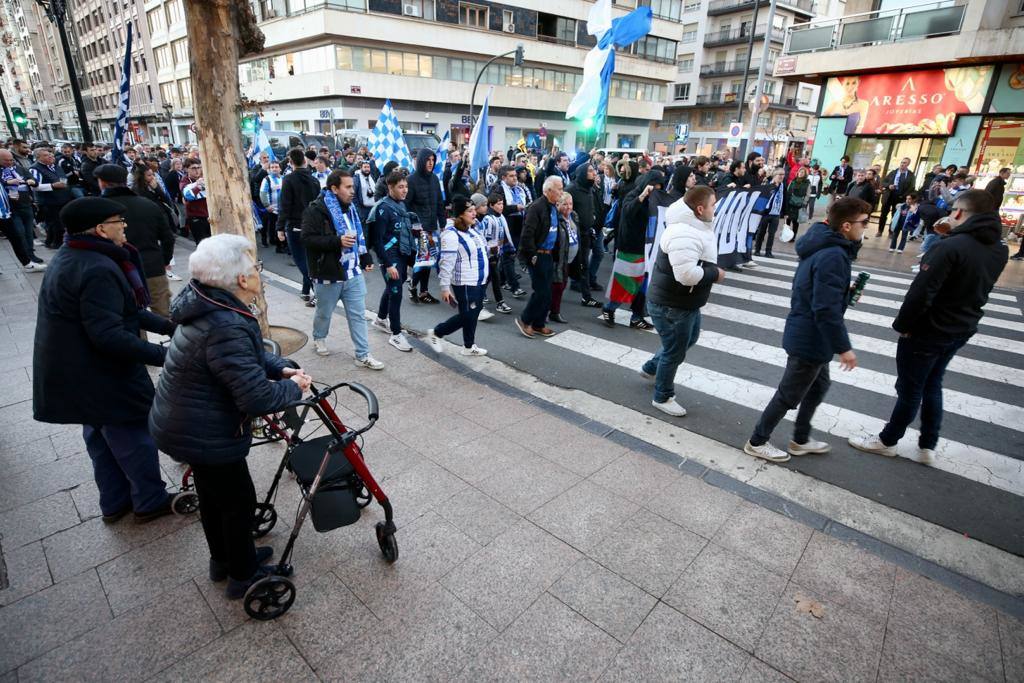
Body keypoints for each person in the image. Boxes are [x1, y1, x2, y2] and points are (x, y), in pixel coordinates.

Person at [149, 234, 311, 599]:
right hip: (202, 429)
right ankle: (243, 574)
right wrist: (296, 388)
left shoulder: (209, 305)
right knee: (237, 501)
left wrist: (281, 368)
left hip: (184, 421)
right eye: (256, 267)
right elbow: (255, 396)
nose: (258, 272)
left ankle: (223, 559)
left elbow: (240, 360)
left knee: (213, 497)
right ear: (241, 279)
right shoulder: (226, 322)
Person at [33, 197, 176, 523]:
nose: (124, 227)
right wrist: (165, 355)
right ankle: (150, 501)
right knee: (133, 436)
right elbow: (109, 334)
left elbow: (126, 312)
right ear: (100, 229)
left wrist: (169, 325)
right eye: (118, 222)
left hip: (76, 370)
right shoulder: (98, 268)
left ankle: (115, 502)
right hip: (99, 374)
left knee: (100, 437)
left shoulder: (75, 255)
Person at [850, 190, 1008, 464]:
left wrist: (903, 325)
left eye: (953, 209)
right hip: (961, 328)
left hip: (928, 330)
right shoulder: (999, 248)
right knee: (933, 383)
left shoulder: (948, 248)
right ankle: (927, 445)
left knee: (910, 389)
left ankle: (888, 440)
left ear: (958, 212)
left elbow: (922, 293)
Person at [743, 197, 869, 463]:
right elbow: (825, 309)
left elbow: (815, 289)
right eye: (863, 223)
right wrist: (844, 348)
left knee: (819, 386)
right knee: (789, 395)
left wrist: (841, 291)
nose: (865, 228)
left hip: (810, 333)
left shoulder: (824, 244)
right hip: (811, 336)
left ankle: (800, 439)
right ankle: (757, 441)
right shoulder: (833, 254)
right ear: (846, 226)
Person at [641, 186, 723, 417]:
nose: (715, 210)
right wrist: (715, 274)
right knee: (675, 351)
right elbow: (686, 275)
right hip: (673, 304)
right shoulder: (683, 233)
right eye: (712, 205)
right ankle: (662, 396)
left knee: (689, 338)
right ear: (699, 209)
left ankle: (651, 368)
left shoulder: (694, 226)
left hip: (684, 302)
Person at [301, 169, 384, 369]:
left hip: (353, 272)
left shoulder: (351, 209)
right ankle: (319, 337)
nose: (352, 191)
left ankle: (362, 355)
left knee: (357, 315)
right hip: (328, 274)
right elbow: (307, 239)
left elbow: (358, 235)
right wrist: (336, 241)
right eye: (347, 187)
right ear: (334, 188)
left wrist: (365, 257)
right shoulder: (316, 210)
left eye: (352, 187)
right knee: (324, 312)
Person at [95, 164, 176, 318]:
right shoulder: (148, 204)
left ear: (102, 183)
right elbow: (168, 238)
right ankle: (175, 341)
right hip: (152, 267)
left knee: (132, 319)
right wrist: (163, 260)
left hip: (119, 270)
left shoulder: (97, 209)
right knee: (164, 316)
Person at [426, 194, 490, 356]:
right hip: (465, 282)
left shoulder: (472, 229)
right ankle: (437, 333)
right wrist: (444, 287)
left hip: (479, 280)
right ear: (460, 214)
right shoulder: (451, 234)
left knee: (473, 313)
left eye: (474, 209)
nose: (474, 213)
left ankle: (469, 347)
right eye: (470, 211)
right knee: (469, 315)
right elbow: (446, 263)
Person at [369, 170, 416, 352]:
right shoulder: (382, 209)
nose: (405, 190)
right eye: (400, 187)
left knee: (392, 287)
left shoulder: (401, 205)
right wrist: (388, 264)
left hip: (402, 254)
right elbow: (377, 241)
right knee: (396, 293)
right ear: (390, 187)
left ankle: (381, 319)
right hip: (390, 258)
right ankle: (396, 335)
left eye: (406, 186)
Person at [515, 175, 566, 339]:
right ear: (549, 190)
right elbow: (527, 234)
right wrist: (532, 255)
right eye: (559, 188)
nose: (561, 192)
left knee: (548, 292)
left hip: (549, 255)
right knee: (541, 292)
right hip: (537, 255)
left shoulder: (552, 207)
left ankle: (539, 324)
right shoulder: (536, 207)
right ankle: (525, 320)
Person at [279, 147, 321, 306]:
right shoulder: (314, 180)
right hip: (313, 225)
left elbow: (285, 205)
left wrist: (280, 227)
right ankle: (305, 291)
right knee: (309, 259)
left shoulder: (289, 180)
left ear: (290, 163)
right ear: (305, 161)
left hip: (295, 225)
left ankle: (317, 289)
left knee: (301, 261)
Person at [404, 148, 445, 304]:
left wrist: (442, 224)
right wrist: (413, 226)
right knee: (422, 261)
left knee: (429, 261)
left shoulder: (434, 178)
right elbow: (405, 206)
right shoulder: (411, 180)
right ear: (421, 161)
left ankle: (424, 291)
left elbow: (440, 203)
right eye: (428, 160)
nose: (431, 163)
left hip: (432, 227)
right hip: (418, 229)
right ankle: (413, 286)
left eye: (433, 160)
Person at [0, 148, 45, 269]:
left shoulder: (20, 169)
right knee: (19, 234)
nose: (9, 162)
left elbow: (34, 181)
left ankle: (29, 258)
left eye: (11, 160)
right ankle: (27, 259)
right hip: (10, 208)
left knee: (25, 233)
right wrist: (8, 183)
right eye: (6, 160)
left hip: (23, 205)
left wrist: (30, 181)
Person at [566, 163, 601, 305]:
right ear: (582, 173)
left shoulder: (590, 188)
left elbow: (592, 208)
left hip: (586, 234)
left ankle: (586, 297)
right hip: (572, 235)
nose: (594, 173)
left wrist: (593, 219)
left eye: (594, 170)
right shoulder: (572, 189)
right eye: (590, 171)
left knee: (584, 265)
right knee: (566, 265)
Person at [30, 147, 74, 248]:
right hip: (49, 202)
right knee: (56, 224)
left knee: (58, 223)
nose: (50, 156)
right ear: (38, 157)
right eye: (46, 155)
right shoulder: (35, 168)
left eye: (50, 154)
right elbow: (35, 186)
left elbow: (63, 178)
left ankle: (50, 242)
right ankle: (57, 244)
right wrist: (52, 186)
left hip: (62, 199)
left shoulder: (55, 166)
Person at [548, 193, 581, 324]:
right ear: (558, 205)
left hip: (570, 259)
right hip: (558, 259)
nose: (568, 207)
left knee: (562, 285)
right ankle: (551, 312)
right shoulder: (555, 218)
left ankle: (554, 311)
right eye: (565, 204)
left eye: (570, 204)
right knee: (557, 286)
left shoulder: (574, 216)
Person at [480, 192, 514, 315]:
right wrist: (491, 249)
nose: (501, 206)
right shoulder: (489, 219)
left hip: (497, 252)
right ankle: (500, 302)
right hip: (489, 254)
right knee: (494, 276)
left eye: (502, 204)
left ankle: (482, 295)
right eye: (498, 204)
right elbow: (485, 237)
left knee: (489, 277)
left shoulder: (501, 217)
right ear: (491, 205)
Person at [499, 165, 528, 298]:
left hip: (518, 224)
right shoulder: (498, 189)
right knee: (509, 255)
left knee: (509, 255)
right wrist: (515, 207)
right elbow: (499, 208)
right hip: (505, 224)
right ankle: (514, 287)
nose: (515, 178)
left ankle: (501, 280)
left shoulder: (519, 189)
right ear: (503, 178)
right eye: (511, 176)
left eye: (515, 176)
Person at [878, 157, 916, 237]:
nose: (902, 164)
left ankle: (891, 232)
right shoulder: (893, 172)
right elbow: (883, 182)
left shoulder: (911, 175)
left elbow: (911, 187)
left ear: (908, 164)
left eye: (905, 163)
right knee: (883, 214)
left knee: (895, 215)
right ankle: (880, 231)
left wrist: (904, 196)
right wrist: (889, 186)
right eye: (902, 162)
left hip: (900, 198)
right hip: (888, 196)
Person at [754, 167, 786, 258]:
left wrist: (785, 212)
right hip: (765, 212)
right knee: (761, 232)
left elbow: (785, 199)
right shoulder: (768, 184)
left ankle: (768, 251)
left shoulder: (783, 186)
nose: (782, 176)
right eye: (780, 174)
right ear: (775, 175)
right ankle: (757, 250)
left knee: (772, 234)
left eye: (783, 174)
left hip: (776, 213)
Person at [181, 158, 212, 243]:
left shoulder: (205, 178)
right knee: (203, 245)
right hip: (196, 218)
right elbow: (188, 196)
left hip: (209, 216)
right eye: (194, 168)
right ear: (187, 169)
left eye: (199, 167)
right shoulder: (185, 181)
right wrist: (198, 187)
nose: (197, 170)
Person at [258, 161, 284, 249]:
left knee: (278, 226)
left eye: (276, 167)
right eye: (272, 167)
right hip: (270, 208)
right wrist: (267, 205)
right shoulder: (267, 179)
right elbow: (263, 193)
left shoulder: (283, 178)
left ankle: (278, 243)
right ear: (269, 169)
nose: (274, 169)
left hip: (281, 208)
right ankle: (265, 241)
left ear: (280, 169)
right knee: (268, 225)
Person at [786, 166, 810, 239]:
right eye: (800, 172)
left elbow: (808, 194)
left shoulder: (807, 183)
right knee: (788, 219)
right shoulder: (793, 181)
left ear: (805, 174)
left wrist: (804, 202)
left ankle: (793, 236)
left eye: (802, 172)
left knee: (795, 221)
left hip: (799, 204)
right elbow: (788, 190)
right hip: (790, 203)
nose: (800, 173)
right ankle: (786, 234)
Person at [353, 160, 376, 225]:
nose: (367, 169)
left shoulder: (371, 177)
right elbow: (353, 196)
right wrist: (359, 212)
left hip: (372, 208)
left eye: (368, 167)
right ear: (361, 168)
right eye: (365, 167)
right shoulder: (356, 178)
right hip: (362, 210)